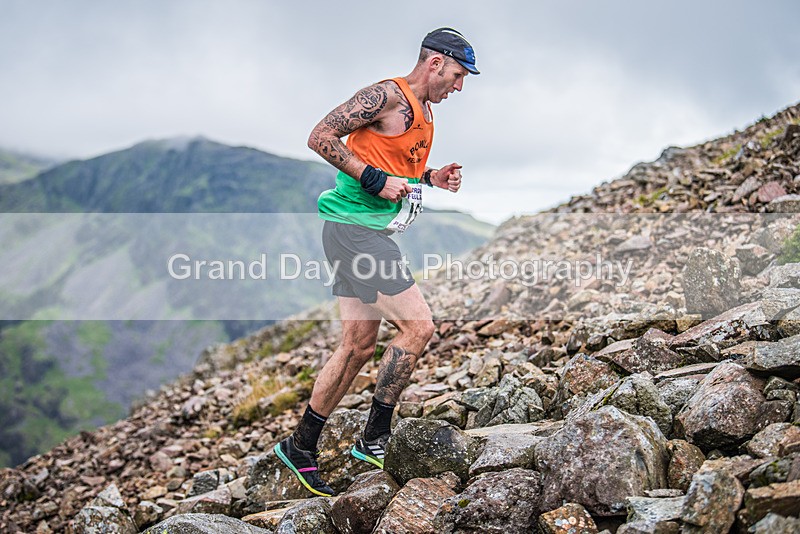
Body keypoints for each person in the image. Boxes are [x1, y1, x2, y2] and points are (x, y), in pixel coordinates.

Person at [274, 27, 479, 497]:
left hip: (359, 233)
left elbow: (394, 167)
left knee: (357, 346)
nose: (459, 86)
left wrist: (430, 176)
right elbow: (320, 136)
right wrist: (371, 180)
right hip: (354, 232)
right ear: (434, 63)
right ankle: (375, 439)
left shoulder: (425, 114)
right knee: (418, 327)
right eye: (457, 74)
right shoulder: (386, 95)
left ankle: (301, 445)